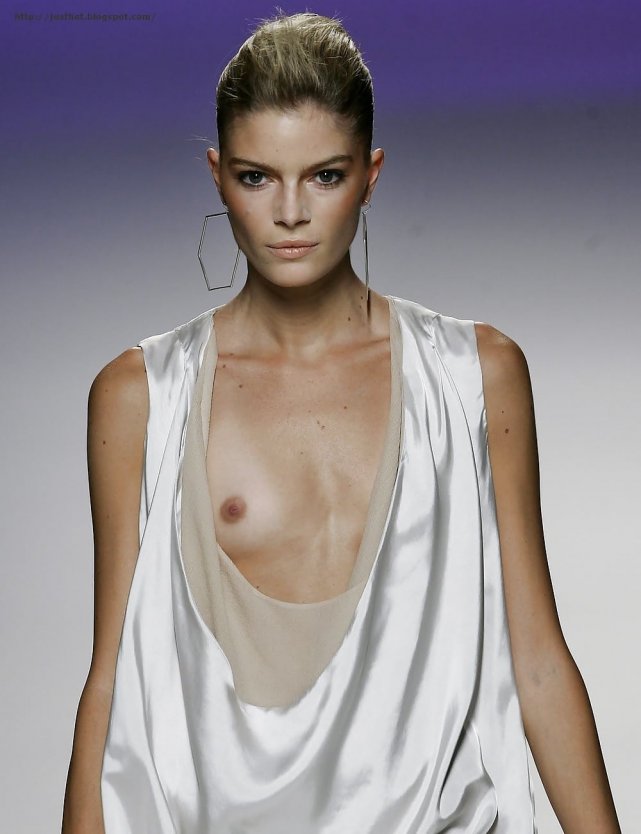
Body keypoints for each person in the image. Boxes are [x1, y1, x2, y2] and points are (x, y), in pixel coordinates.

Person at [61, 10, 621, 833]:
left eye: (323, 175)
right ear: (217, 177)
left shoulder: (476, 374)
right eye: (256, 177)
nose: (289, 212)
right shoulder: (141, 395)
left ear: (370, 174)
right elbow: (112, 679)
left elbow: (535, 659)